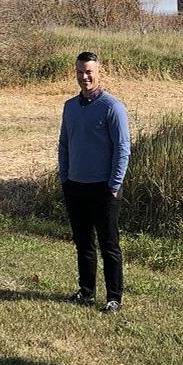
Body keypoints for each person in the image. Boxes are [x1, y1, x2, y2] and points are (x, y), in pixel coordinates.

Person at [58, 52, 131, 313]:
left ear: (99, 72)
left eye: (89, 71)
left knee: (109, 244)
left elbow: (122, 148)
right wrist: (65, 177)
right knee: (83, 242)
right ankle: (86, 290)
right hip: (75, 185)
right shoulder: (70, 106)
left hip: (104, 188)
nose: (84, 77)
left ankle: (114, 297)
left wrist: (114, 184)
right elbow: (64, 144)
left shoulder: (112, 107)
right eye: (80, 72)